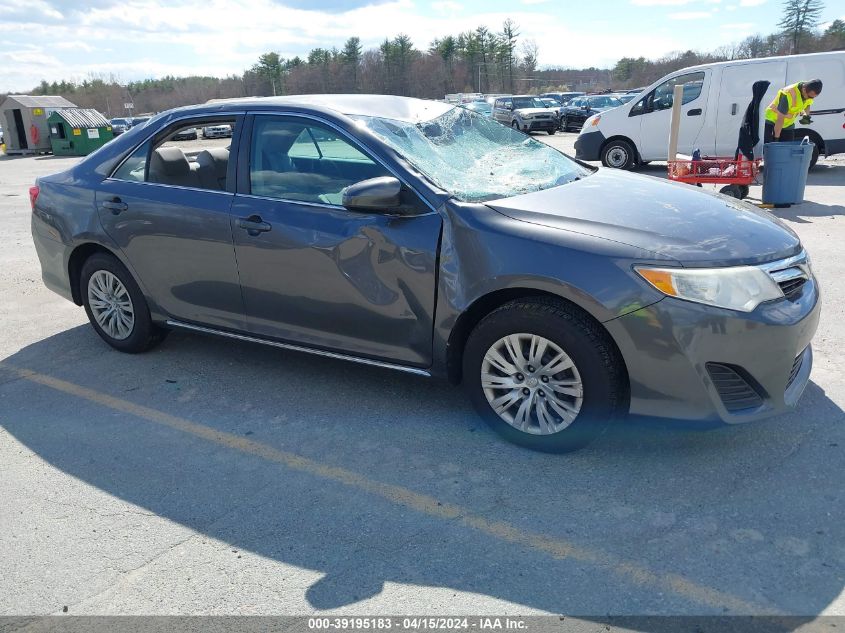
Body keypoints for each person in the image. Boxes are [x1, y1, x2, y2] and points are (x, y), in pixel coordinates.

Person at [764, 79, 823, 143]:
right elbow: (780, 119)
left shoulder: (809, 92)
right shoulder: (788, 94)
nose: (810, 98)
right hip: (773, 121)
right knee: (771, 147)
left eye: (812, 97)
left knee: (788, 148)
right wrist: (776, 139)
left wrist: (806, 116)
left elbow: (807, 104)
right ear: (803, 89)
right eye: (809, 96)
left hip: (788, 123)